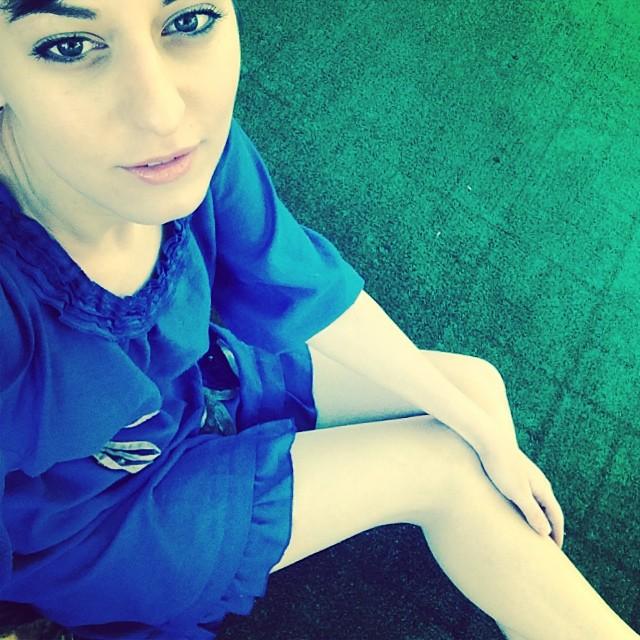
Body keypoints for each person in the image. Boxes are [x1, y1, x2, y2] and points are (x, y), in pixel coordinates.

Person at [0, 1, 637, 639]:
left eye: (188, 20)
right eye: (67, 46)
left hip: (200, 390)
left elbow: (303, 286)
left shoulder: (180, 152)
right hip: (101, 520)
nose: (162, 112)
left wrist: (487, 437)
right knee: (445, 467)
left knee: (474, 393)